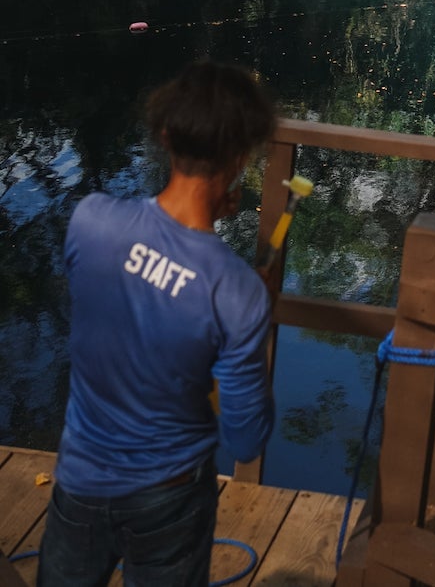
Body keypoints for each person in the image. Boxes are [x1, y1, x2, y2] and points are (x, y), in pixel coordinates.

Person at [39, 62, 277, 587]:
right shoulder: (236, 291)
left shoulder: (90, 221)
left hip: (80, 477)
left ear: (166, 136)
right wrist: (251, 311)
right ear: (240, 159)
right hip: (171, 494)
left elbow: (122, 298)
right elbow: (246, 440)